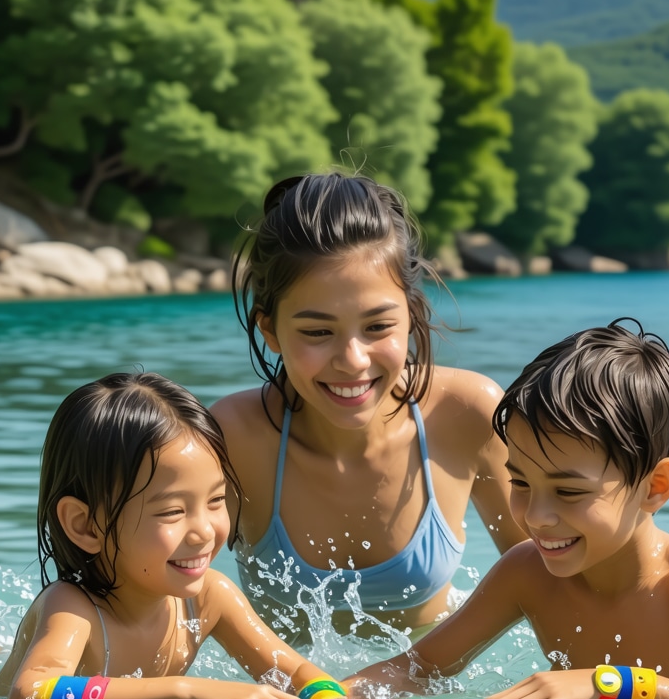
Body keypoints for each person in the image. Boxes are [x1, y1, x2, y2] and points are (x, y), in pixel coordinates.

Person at [345, 320, 669, 699]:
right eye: (521, 483)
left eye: (569, 492)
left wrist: (616, 688)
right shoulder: (526, 573)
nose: (535, 517)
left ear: (655, 487)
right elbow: (415, 668)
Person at [211, 172, 526, 641]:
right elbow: (151, 596)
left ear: (411, 316)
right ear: (270, 331)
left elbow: (548, 583)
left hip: (432, 696)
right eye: (318, 332)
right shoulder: (232, 440)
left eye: (378, 327)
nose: (352, 360)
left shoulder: (468, 416)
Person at [0, 371, 346, 699]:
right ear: (86, 525)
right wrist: (185, 692)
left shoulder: (210, 599)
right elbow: (32, 697)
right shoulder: (74, 608)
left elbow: (298, 673)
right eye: (173, 511)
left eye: (216, 500)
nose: (205, 530)